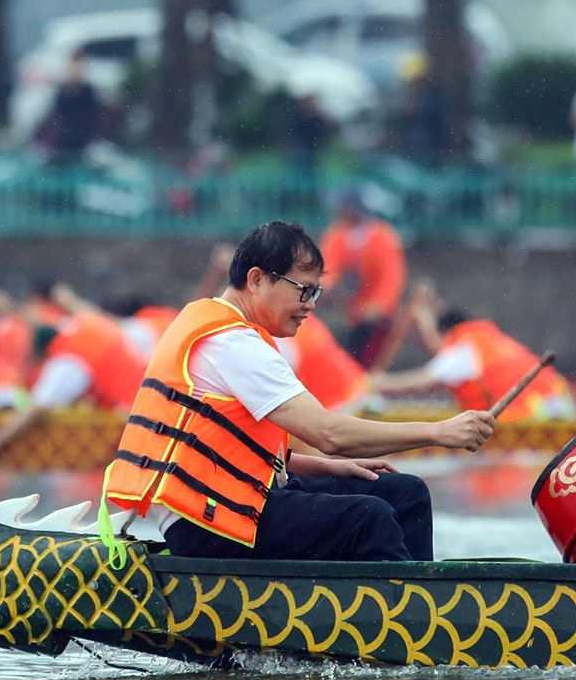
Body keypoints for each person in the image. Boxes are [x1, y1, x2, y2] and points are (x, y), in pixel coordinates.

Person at [100, 221, 496, 563]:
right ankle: (394, 635)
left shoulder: (222, 326)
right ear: (257, 279)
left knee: (404, 493)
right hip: (209, 524)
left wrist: (325, 466)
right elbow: (329, 435)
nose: (309, 306)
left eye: (316, 293)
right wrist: (439, 432)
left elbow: (232, 444)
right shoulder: (233, 344)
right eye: (302, 290)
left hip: (228, 500)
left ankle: (420, 602)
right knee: (369, 517)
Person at [371, 280, 575, 420]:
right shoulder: (483, 336)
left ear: (445, 333)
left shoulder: (462, 347)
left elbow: (422, 381)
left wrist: (374, 384)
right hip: (560, 405)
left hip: (531, 418)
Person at [0, 300, 143, 463]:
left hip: (133, 429)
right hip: (142, 411)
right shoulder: (82, 322)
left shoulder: (68, 361)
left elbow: (33, 412)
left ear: (41, 356)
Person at [319, 186, 406, 368]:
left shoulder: (383, 236)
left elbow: (391, 277)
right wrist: (324, 287)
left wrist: (379, 306)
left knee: (369, 353)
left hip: (376, 314)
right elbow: (329, 267)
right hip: (350, 309)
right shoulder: (336, 235)